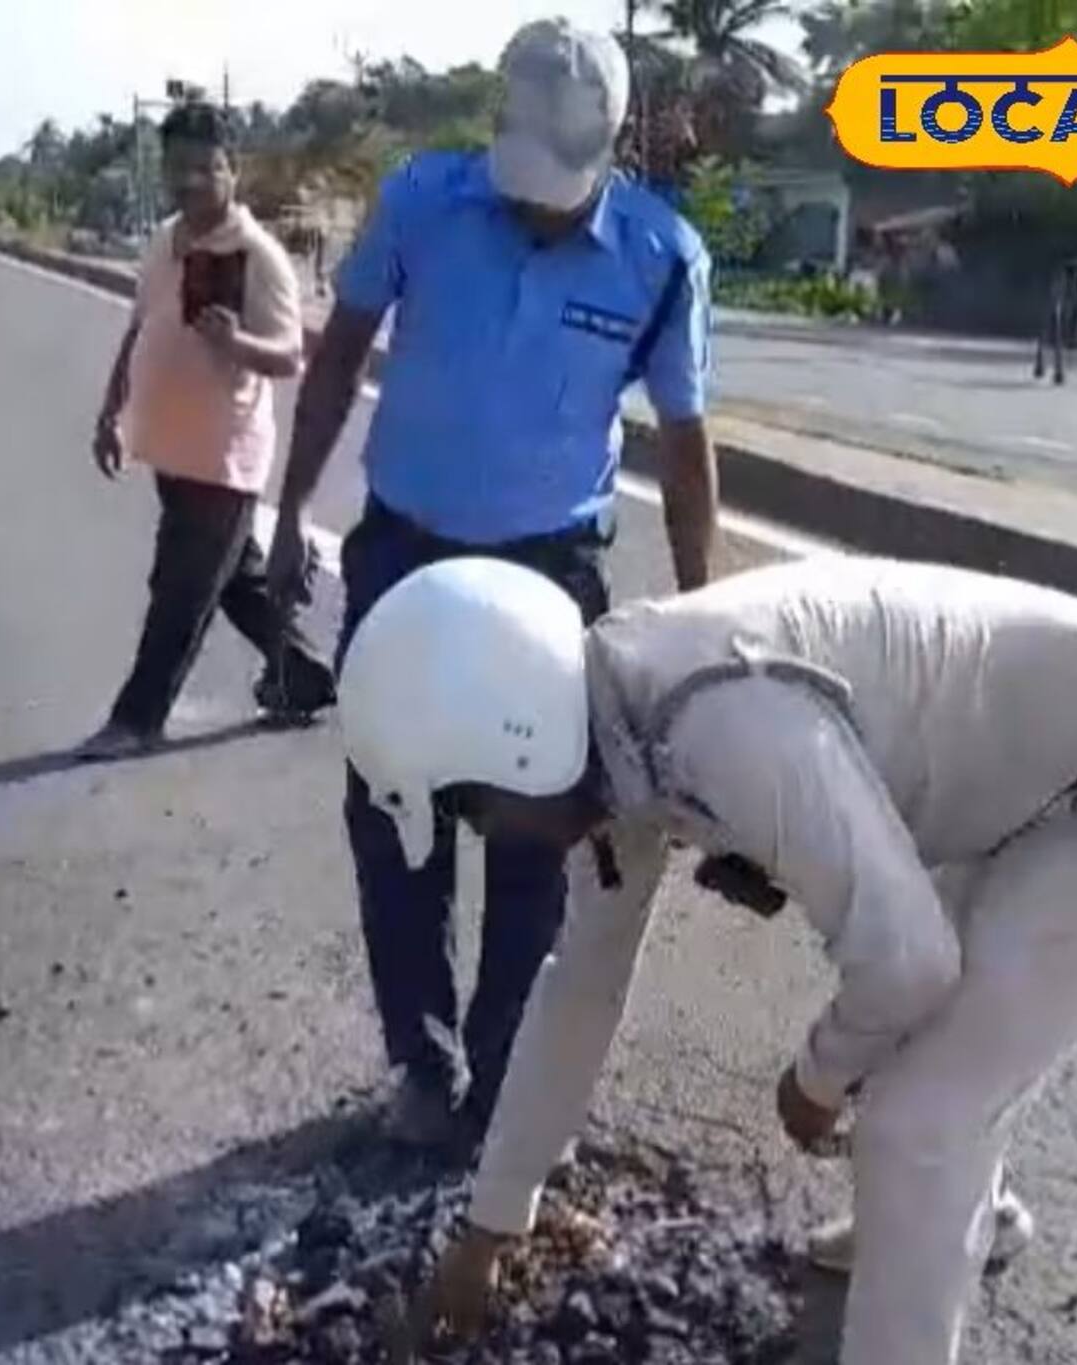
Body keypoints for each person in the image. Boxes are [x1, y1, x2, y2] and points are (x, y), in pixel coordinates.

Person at [336, 556, 1077, 1365]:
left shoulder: (717, 721)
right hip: (1020, 790)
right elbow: (579, 985)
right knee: (933, 1060)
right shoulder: (609, 727)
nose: (491, 836)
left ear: (513, 743)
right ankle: (965, 1220)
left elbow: (906, 962)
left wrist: (814, 1077)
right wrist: (493, 1221)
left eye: (474, 808)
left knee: (917, 1123)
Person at [263, 17, 718, 1148]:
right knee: (393, 812)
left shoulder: (663, 259)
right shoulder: (422, 201)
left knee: (539, 830)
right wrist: (283, 517)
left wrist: (707, 617)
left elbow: (688, 442)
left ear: (613, 146)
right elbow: (335, 359)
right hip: (405, 555)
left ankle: (507, 1077)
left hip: (547, 575)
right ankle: (421, 1062)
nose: (535, 202)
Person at [74, 102, 336, 761]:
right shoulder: (165, 240)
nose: (189, 181)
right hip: (170, 447)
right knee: (235, 582)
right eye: (176, 168)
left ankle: (136, 719)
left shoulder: (258, 257)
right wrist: (112, 411)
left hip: (224, 457)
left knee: (181, 591)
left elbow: (288, 357)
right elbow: (141, 327)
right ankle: (304, 672)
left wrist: (235, 341)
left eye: (203, 167)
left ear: (232, 169)